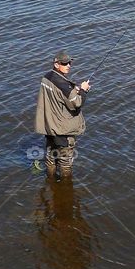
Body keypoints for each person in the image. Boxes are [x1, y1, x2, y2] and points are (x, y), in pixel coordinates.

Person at [34, 50, 90, 180]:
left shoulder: (46, 77)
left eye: (69, 63)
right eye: (64, 63)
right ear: (56, 64)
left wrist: (74, 89)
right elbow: (77, 103)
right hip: (63, 132)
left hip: (49, 127)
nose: (68, 65)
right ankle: (66, 187)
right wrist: (83, 90)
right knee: (65, 163)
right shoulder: (64, 86)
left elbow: (58, 94)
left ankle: (50, 182)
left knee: (51, 157)